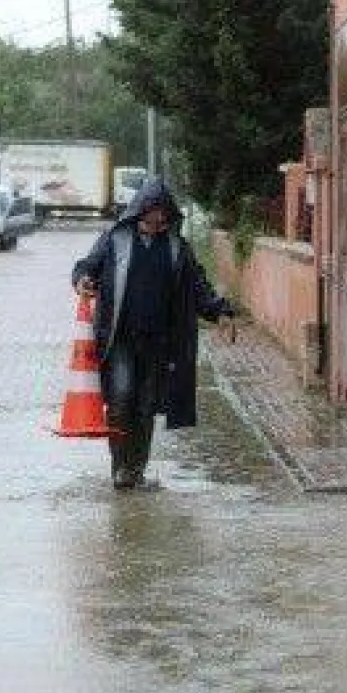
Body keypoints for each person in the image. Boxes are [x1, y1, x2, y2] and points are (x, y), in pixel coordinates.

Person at [70, 177, 235, 489]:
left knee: (146, 407)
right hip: (119, 339)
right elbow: (87, 266)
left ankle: (136, 470)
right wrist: (82, 279)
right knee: (120, 400)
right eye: (152, 212)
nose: (157, 219)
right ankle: (120, 469)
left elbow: (197, 286)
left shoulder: (176, 248)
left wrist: (220, 311)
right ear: (139, 210)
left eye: (163, 214)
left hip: (158, 342)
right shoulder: (115, 239)